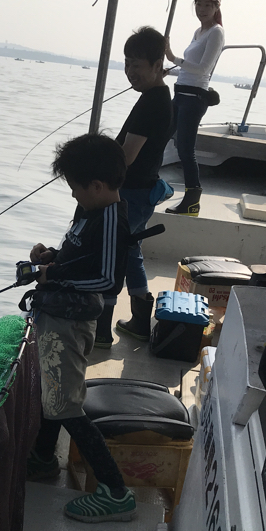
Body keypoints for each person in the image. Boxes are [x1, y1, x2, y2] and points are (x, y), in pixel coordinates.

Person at [23, 133, 136, 523]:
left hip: (70, 325)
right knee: (52, 391)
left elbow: (107, 281)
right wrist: (50, 258)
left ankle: (115, 492)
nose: (73, 194)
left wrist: (53, 278)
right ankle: (42, 458)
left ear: (97, 186)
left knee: (67, 405)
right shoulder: (90, 209)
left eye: (75, 187)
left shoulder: (111, 220)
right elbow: (78, 254)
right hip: (56, 317)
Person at [94, 26, 173, 347]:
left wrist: (95, 167)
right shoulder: (158, 97)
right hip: (143, 190)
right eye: (127, 64)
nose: (130, 71)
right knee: (130, 250)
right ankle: (140, 321)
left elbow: (126, 156)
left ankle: (101, 329)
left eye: (137, 65)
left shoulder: (152, 103)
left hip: (131, 194)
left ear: (158, 65)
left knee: (112, 256)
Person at [164, 0, 225, 216]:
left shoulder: (216, 32)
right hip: (180, 94)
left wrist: (172, 57)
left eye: (208, 5)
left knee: (185, 149)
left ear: (216, 8)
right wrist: (169, 70)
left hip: (194, 98)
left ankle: (192, 201)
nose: (202, 9)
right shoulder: (198, 32)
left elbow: (203, 69)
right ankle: (152, 184)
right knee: (162, 136)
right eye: (199, 4)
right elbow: (188, 68)